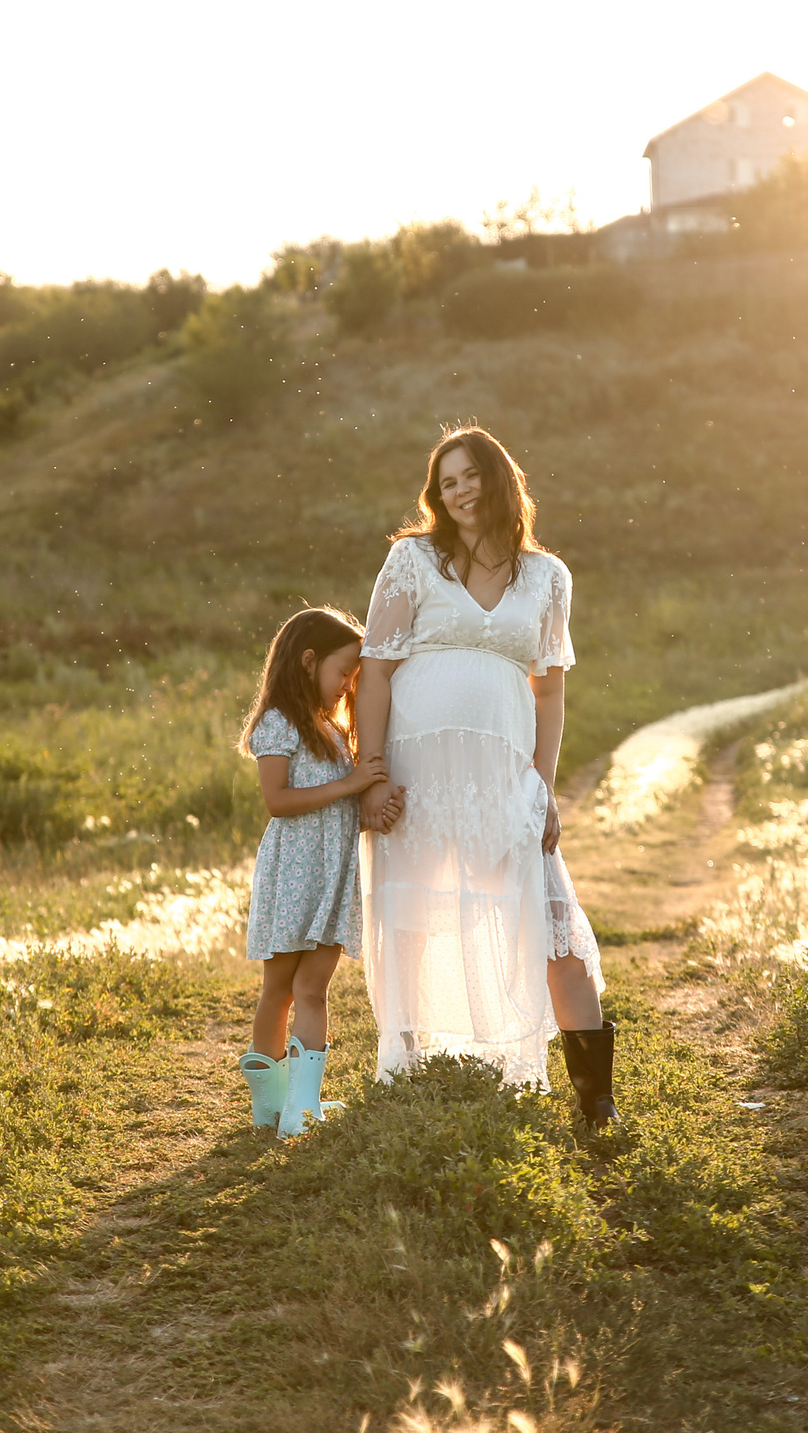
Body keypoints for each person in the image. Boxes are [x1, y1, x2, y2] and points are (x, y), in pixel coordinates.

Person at [354, 426, 618, 1126]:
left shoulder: (547, 577)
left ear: (500, 479)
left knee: (551, 920)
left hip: (504, 774)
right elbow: (375, 670)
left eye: (471, 475)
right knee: (413, 918)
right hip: (415, 770)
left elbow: (550, 691)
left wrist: (543, 784)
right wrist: (372, 773)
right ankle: (406, 1072)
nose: (462, 490)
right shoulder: (413, 559)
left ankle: (597, 1101)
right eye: (448, 482)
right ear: (437, 497)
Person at [235, 606, 397, 1139]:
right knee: (278, 989)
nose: (348, 686)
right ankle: (274, 1109)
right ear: (308, 662)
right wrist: (352, 785)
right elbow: (277, 800)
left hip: (329, 878)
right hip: (292, 875)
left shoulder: (331, 728)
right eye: (343, 673)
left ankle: (299, 1112)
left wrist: (372, 804)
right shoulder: (279, 723)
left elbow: (344, 807)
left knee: (312, 989)